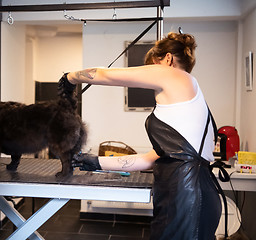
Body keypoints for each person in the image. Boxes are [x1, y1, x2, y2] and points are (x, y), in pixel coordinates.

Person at [59, 32, 222, 240]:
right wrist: (95, 162)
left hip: (185, 196)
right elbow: (149, 160)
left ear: (169, 59)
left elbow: (107, 75)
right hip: (194, 191)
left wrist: (70, 78)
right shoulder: (189, 102)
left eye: (154, 64)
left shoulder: (175, 76)